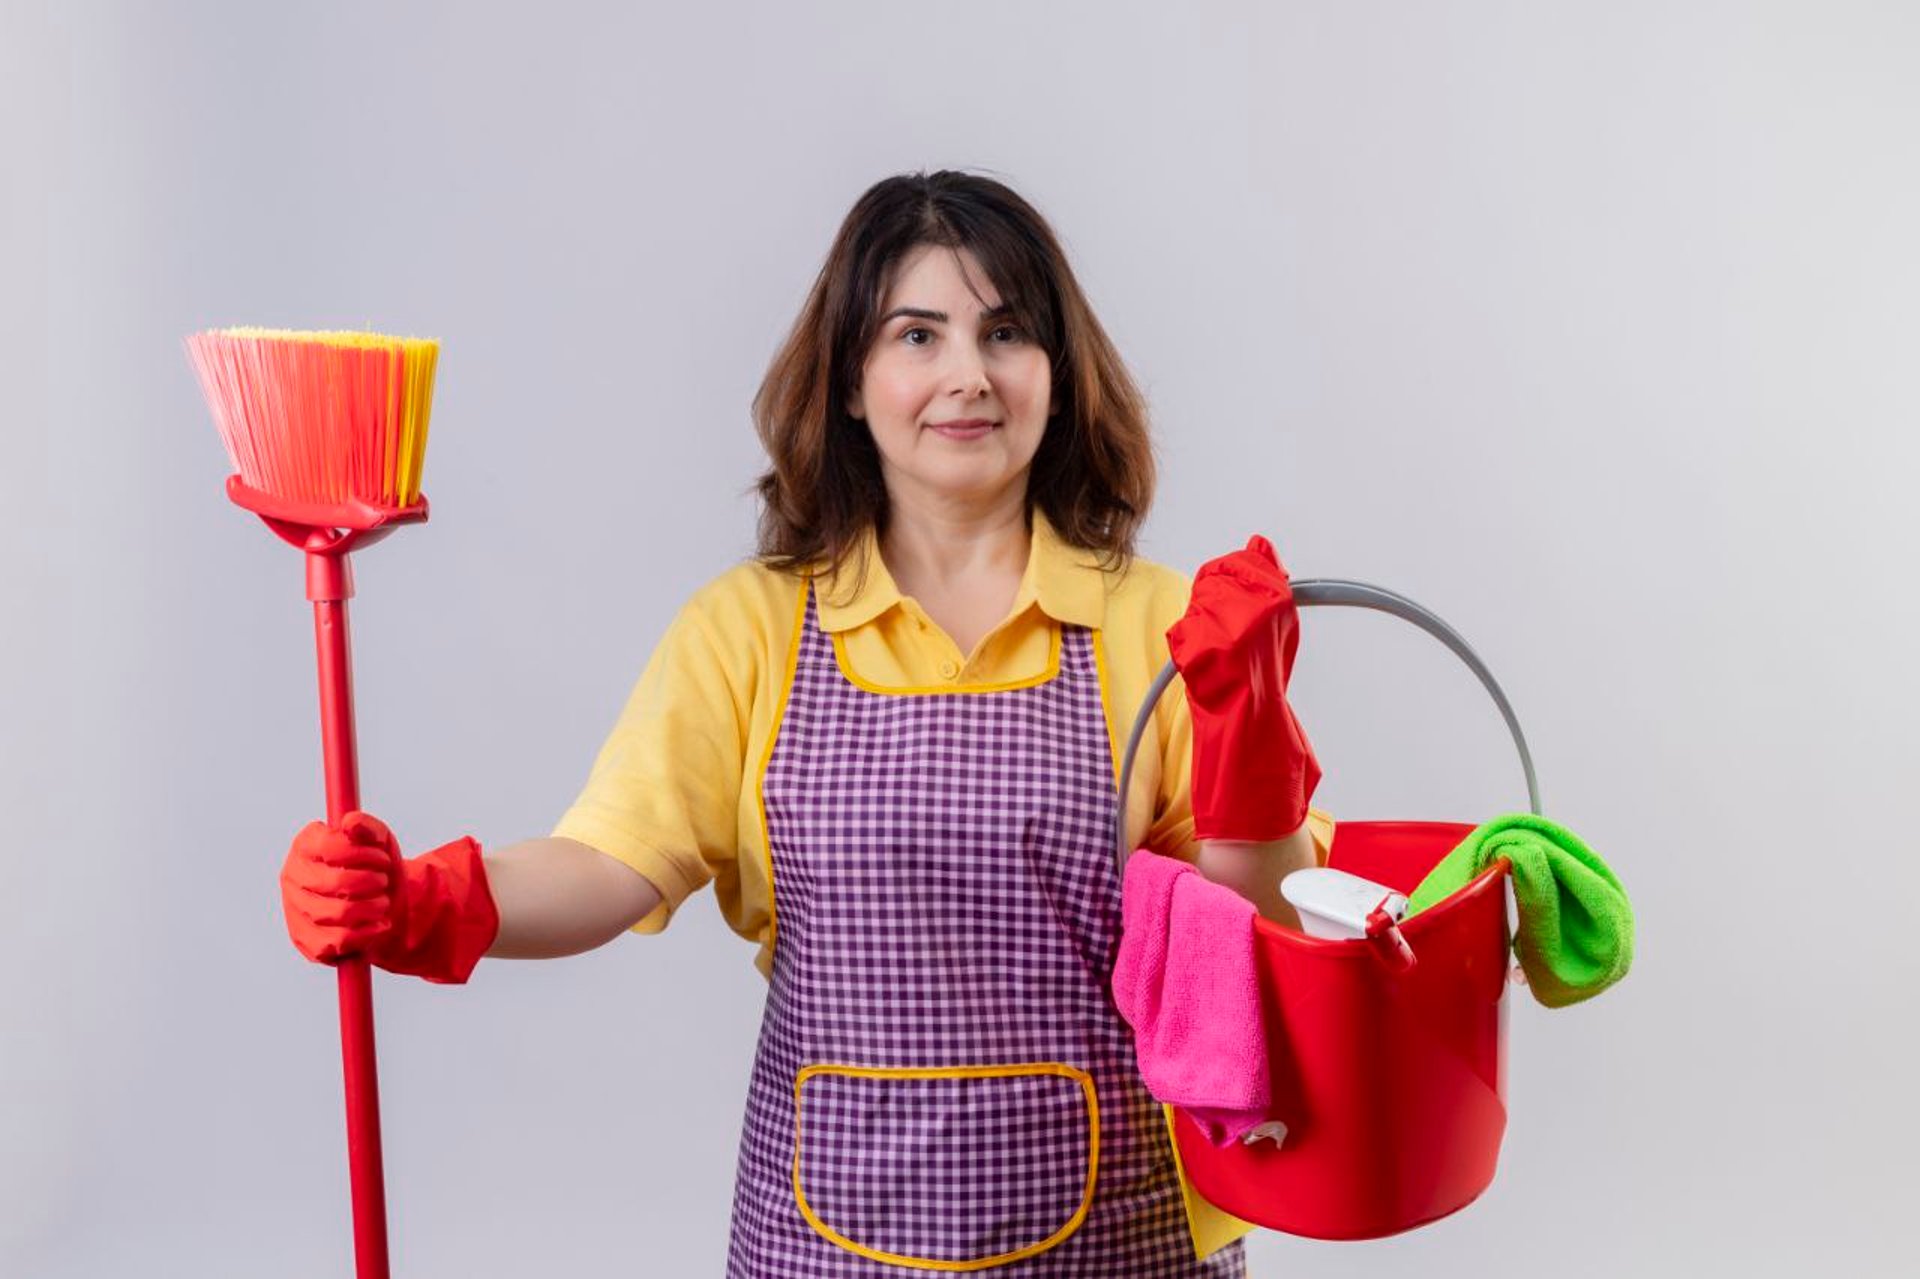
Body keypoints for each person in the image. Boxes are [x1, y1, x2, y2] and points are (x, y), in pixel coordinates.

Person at [279, 170, 1329, 1276]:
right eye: (917, 335)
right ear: (850, 380)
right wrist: (429, 901)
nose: (966, 376)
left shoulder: (1164, 625)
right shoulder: (753, 628)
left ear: (1060, 377)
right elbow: (608, 863)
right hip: (828, 1237)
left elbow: (1254, 949)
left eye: (1007, 332)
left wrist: (1248, 737)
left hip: (1120, 1236)